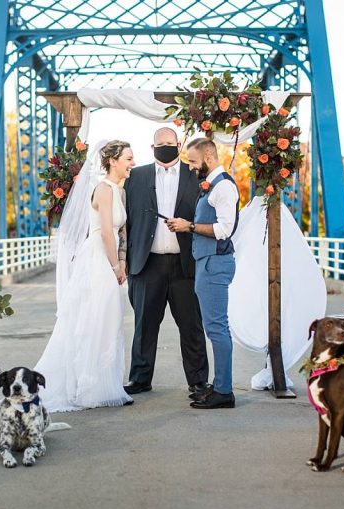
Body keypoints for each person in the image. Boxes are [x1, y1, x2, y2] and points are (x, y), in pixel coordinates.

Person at [35, 140, 135, 411]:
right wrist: (115, 267)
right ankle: (88, 388)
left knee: (109, 319)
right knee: (95, 318)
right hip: (97, 259)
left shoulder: (120, 191)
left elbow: (120, 230)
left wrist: (123, 261)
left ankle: (105, 385)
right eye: (128, 158)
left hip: (112, 257)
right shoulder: (103, 189)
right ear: (112, 161)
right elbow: (104, 233)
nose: (132, 163)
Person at [122, 127, 209, 399]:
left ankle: (198, 381)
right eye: (160, 144)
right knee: (144, 325)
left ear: (179, 144)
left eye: (170, 143)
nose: (165, 147)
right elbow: (124, 218)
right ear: (152, 147)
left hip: (185, 265)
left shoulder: (196, 176)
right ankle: (139, 378)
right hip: (147, 264)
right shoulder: (135, 177)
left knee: (191, 325)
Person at [167, 138, 239, 409]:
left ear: (208, 158)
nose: (191, 167)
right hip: (207, 263)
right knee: (214, 328)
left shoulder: (223, 188)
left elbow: (224, 230)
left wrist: (190, 226)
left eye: (194, 161)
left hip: (214, 264)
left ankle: (224, 392)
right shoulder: (211, 186)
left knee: (217, 329)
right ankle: (219, 386)